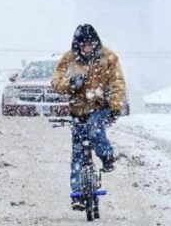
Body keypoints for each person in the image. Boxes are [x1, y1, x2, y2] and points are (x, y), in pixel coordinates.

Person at [51, 24, 127, 211]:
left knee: (94, 129)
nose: (88, 47)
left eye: (91, 44)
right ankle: (77, 194)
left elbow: (118, 82)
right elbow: (56, 82)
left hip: (100, 106)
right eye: (83, 44)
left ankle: (107, 156)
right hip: (77, 110)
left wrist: (115, 105)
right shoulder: (68, 59)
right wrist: (70, 84)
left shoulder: (108, 58)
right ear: (77, 45)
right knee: (77, 152)